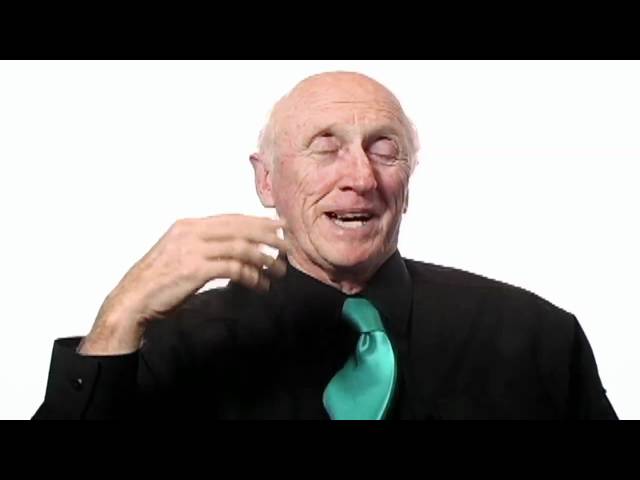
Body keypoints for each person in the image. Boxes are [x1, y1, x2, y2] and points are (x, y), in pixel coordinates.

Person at [32, 71, 617, 420]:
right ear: (267, 180)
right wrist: (119, 317)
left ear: (408, 181)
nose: (360, 177)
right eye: (325, 147)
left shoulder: (540, 338)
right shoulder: (169, 349)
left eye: (383, 149)